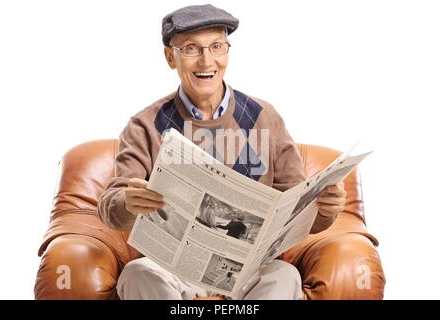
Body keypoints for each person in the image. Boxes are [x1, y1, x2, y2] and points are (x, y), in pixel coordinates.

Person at [98, 4, 347, 300]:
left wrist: (325, 210)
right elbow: (110, 207)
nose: (207, 60)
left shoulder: (264, 117)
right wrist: (127, 201)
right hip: (173, 274)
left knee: (285, 276)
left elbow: (298, 210)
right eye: (191, 48)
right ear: (170, 57)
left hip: (247, 278)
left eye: (217, 46)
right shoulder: (145, 125)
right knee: (137, 274)